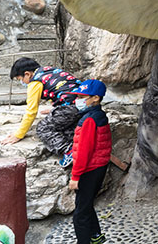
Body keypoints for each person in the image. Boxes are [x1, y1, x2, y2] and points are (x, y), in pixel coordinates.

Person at [2, 58, 82, 165]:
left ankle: (69, 151)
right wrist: (56, 108)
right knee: (66, 128)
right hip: (85, 104)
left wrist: (19, 135)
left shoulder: (35, 82)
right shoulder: (48, 70)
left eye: (19, 79)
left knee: (43, 128)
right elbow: (65, 88)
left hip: (70, 109)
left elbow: (31, 112)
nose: (21, 82)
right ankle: (79, 146)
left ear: (27, 74)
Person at [68, 79, 112, 244]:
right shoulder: (98, 115)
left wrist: (75, 176)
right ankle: (96, 236)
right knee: (86, 205)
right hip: (98, 166)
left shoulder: (89, 120)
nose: (78, 99)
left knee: (80, 214)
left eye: (82, 96)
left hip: (89, 169)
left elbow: (84, 152)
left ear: (96, 98)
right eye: (78, 96)